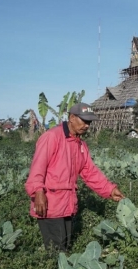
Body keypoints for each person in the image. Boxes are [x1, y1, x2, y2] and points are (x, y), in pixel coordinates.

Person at [25, 102, 125, 251]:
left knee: (65, 246)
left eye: (89, 122)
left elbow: (90, 172)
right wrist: (38, 192)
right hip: (49, 205)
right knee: (56, 251)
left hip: (67, 205)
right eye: (84, 121)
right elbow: (37, 168)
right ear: (72, 117)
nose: (87, 126)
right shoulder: (52, 137)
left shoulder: (80, 145)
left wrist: (110, 190)